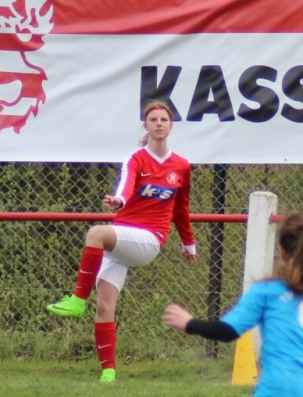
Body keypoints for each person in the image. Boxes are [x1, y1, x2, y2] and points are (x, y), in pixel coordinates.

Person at [45, 99, 196, 383]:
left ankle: (77, 299)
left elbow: (181, 208)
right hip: (123, 238)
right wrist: (120, 201)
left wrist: (189, 243)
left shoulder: (181, 166)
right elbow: (125, 187)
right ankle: (108, 372)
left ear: (171, 126)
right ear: (145, 125)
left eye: (164, 119)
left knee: (96, 233)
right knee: (104, 307)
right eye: (153, 120)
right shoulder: (136, 158)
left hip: (149, 240)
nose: (159, 124)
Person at [162, 213, 303, 397]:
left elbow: (228, 331)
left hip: (275, 391)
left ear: (282, 251)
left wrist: (189, 323)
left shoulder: (267, 291)